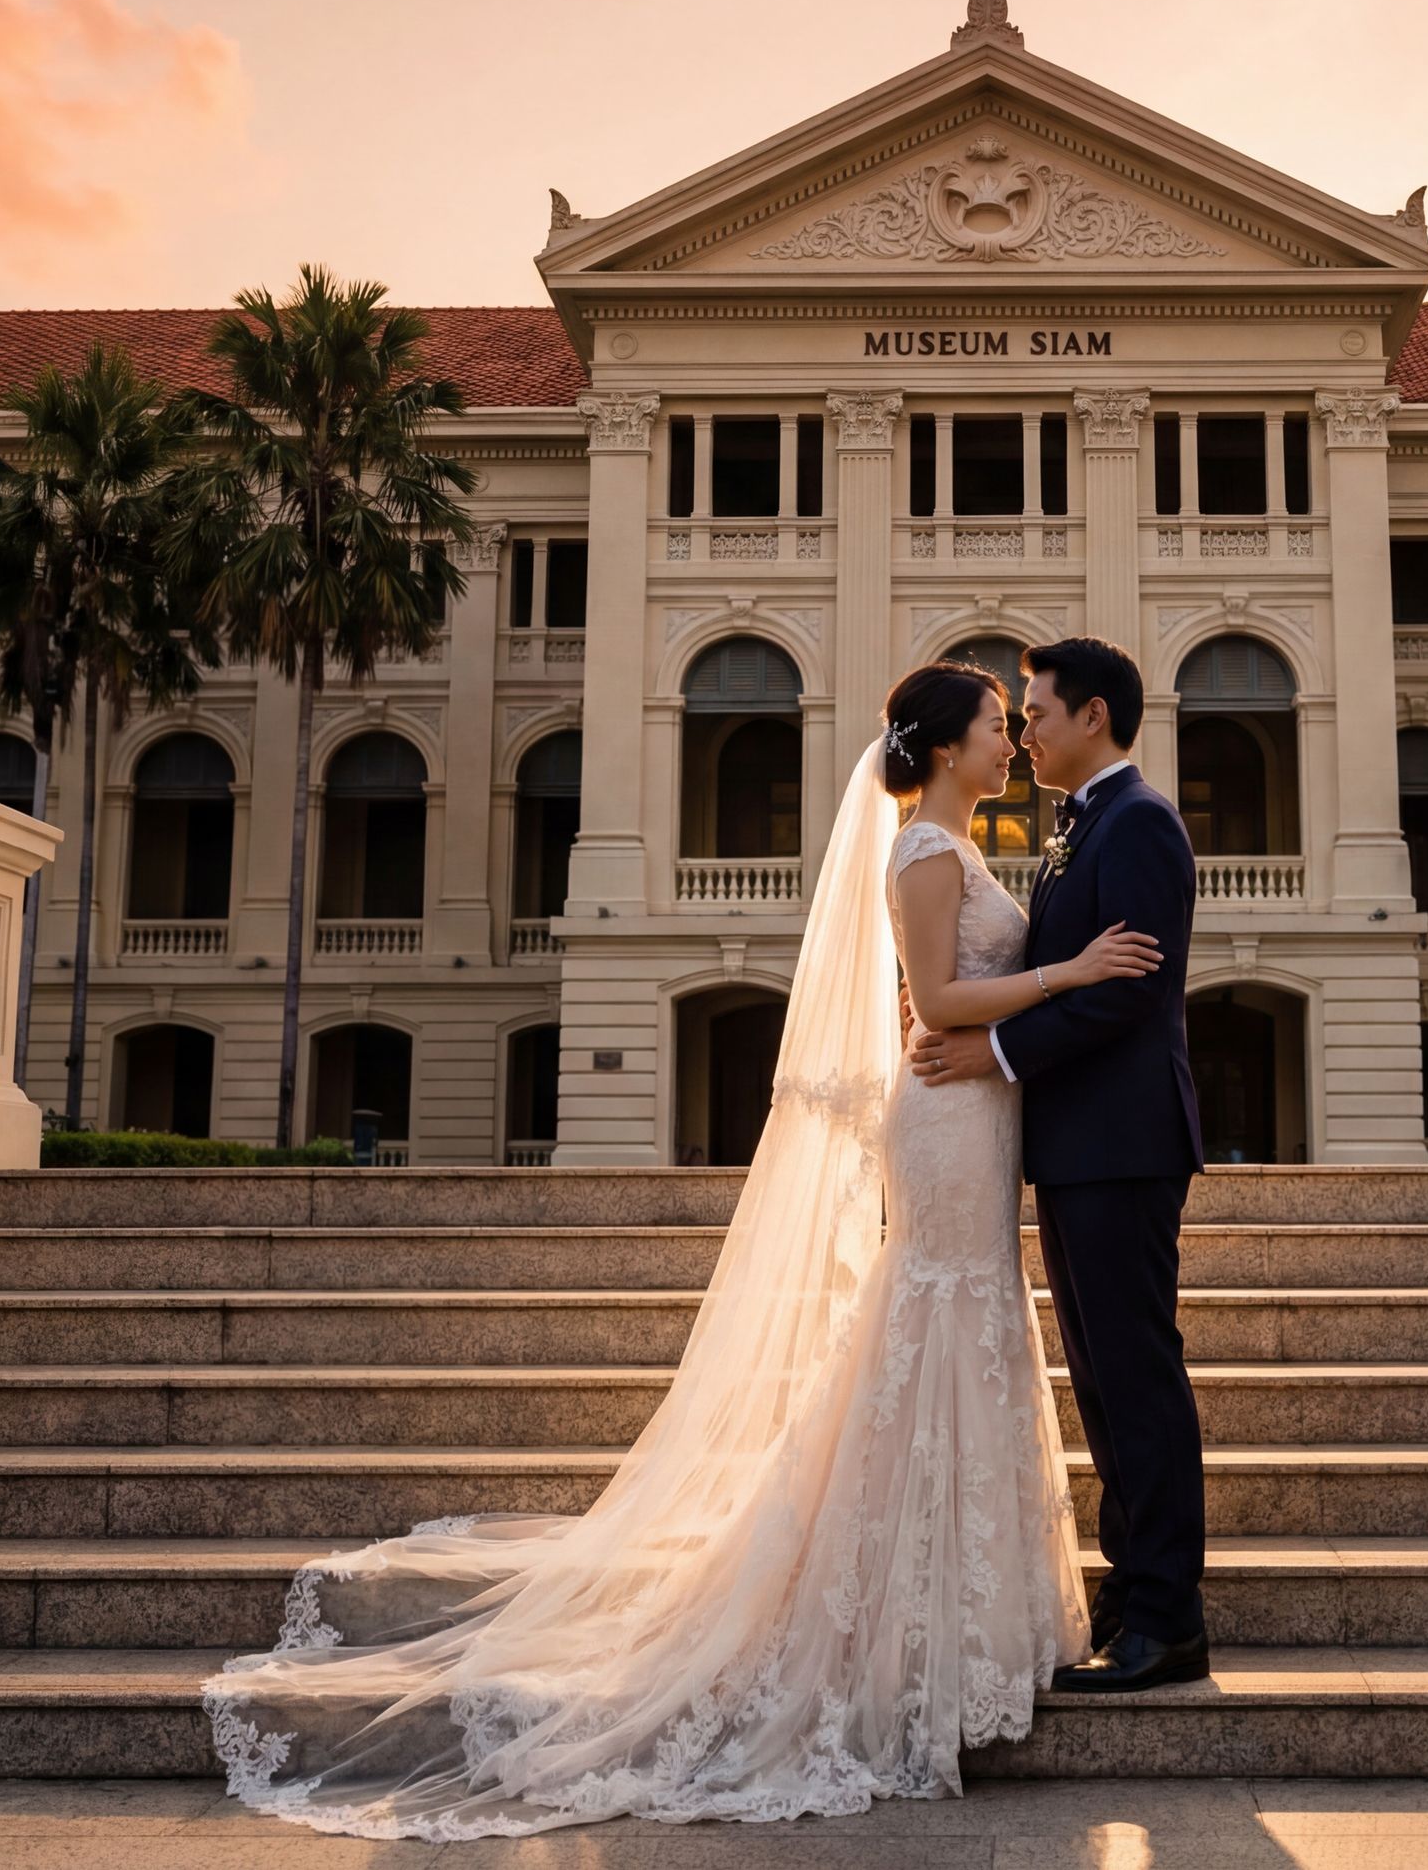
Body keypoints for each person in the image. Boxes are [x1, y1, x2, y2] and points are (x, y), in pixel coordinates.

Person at [204, 659, 1164, 1839]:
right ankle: (900, 1617)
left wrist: (1032, 1001)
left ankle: (968, 1611)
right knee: (938, 1318)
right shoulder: (921, 852)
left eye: (1022, 722)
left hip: (983, 1115)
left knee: (966, 1324)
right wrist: (1067, 971)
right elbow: (932, 1003)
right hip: (952, 1110)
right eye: (996, 724)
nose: (1013, 738)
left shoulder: (964, 848)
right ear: (947, 744)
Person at [910, 636, 1209, 1692]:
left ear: (1092, 716)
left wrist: (987, 1050)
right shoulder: (1076, 830)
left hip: (1124, 1146)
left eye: (1036, 712)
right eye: (1017, 717)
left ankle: (1167, 1617)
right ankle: (1134, 1598)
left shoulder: (1140, 824)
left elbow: (1126, 990)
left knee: (1136, 1375)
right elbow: (1062, 971)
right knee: (1106, 1380)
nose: (1025, 730)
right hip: (1077, 1148)